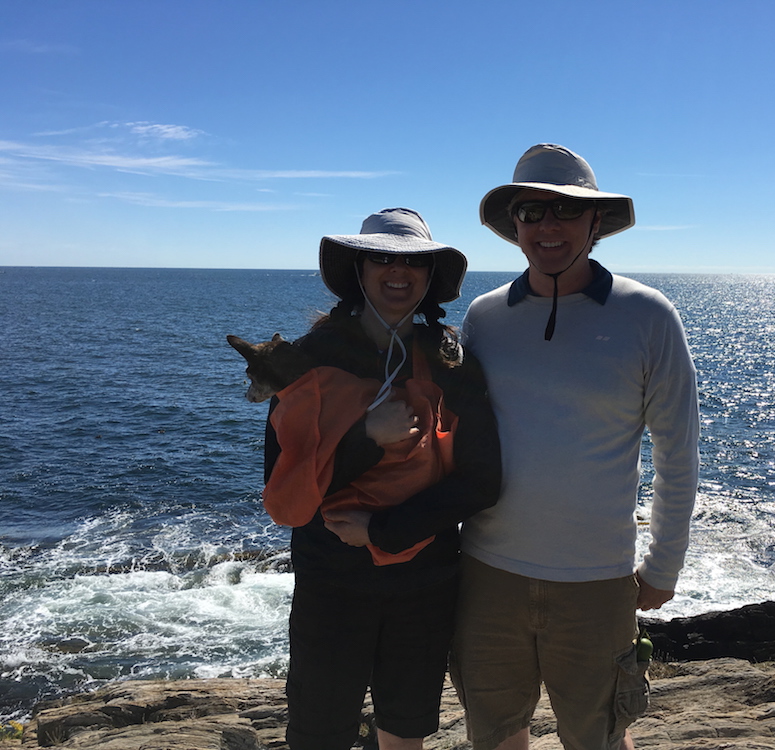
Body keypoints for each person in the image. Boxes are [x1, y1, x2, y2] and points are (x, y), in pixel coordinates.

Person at [451, 145, 700, 750]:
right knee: (496, 733)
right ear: (515, 225)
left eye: (566, 211)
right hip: (486, 573)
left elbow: (678, 450)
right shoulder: (483, 318)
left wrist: (664, 564)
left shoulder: (648, 315)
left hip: (597, 580)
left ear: (596, 223)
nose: (548, 226)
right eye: (532, 212)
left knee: (599, 736)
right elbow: (454, 437)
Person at [262, 208, 502, 750]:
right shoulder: (307, 360)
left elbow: (483, 480)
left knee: (404, 729)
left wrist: (382, 530)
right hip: (331, 583)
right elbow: (284, 491)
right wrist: (367, 436)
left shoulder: (451, 361)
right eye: (382, 258)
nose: (399, 271)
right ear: (359, 269)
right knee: (318, 732)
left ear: (430, 274)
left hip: (425, 584)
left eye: (413, 260)